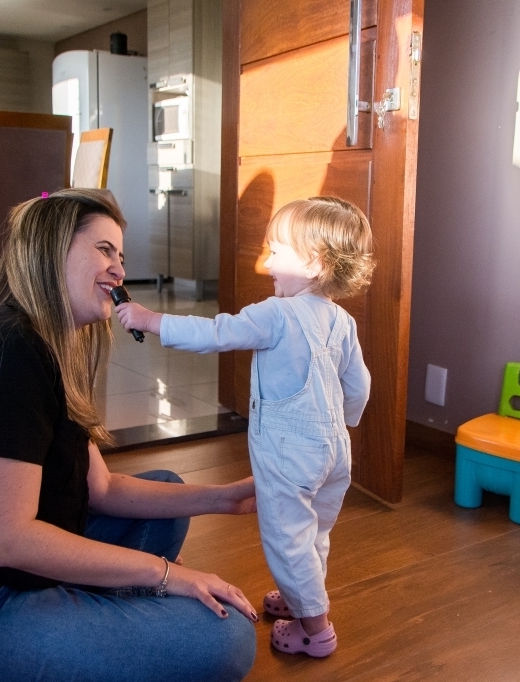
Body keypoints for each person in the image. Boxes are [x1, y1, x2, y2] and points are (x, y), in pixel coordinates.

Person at [0, 189, 258, 682]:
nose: (119, 270)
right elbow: (10, 539)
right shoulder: (1, 354)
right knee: (226, 640)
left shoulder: (49, 349)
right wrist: (170, 575)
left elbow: (102, 489)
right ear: (50, 250)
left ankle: (77, 621)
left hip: (0, 578)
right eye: (104, 250)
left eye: (121, 256)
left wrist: (225, 498)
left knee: (167, 490)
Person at [118, 196, 373, 658]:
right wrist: (345, 422)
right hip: (335, 453)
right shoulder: (343, 321)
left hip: (289, 456)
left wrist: (151, 319)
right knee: (313, 533)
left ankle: (315, 630)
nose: (266, 262)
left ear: (314, 263)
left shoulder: (277, 314)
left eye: (275, 251)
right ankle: (300, 597)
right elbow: (359, 386)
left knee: (287, 539)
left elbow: (216, 332)